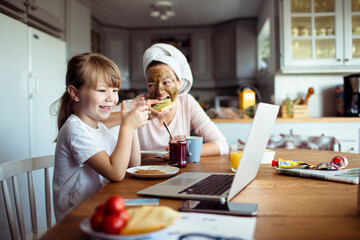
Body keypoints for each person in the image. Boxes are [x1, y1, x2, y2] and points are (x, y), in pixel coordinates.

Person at [52, 53, 149, 221]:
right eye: (102, 90)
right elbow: (116, 172)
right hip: (77, 218)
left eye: (115, 90)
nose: (111, 98)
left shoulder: (100, 128)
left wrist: (131, 126)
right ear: (75, 93)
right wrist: (127, 125)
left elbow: (133, 166)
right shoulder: (75, 130)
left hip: (99, 209)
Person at [106, 43, 229, 156]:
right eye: (151, 85)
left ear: (179, 83)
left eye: (166, 82)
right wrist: (131, 116)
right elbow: (94, 123)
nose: (159, 91)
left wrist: (181, 151)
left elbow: (222, 145)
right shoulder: (138, 104)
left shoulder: (186, 102)